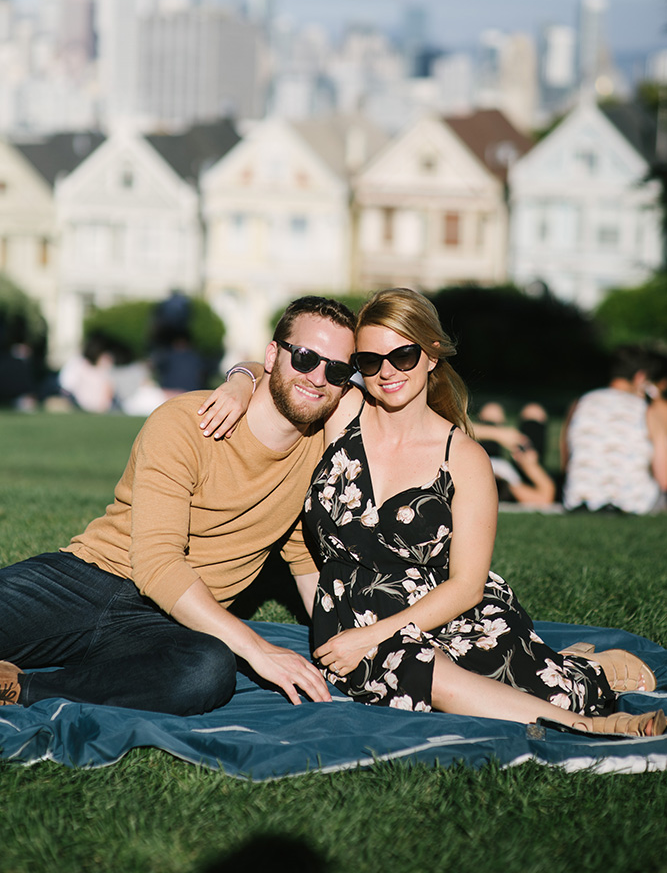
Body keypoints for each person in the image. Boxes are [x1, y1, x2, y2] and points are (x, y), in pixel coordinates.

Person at [300, 288, 664, 737]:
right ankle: (593, 727)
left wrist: (373, 636)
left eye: (404, 355)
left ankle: (588, 670)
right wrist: (240, 380)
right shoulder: (344, 412)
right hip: (352, 612)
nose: (387, 371)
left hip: (447, 611)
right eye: (370, 361)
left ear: (432, 355)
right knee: (419, 667)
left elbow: (468, 585)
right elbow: (279, 373)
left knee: (553, 687)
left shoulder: (464, 457)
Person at [0, 296, 356, 715]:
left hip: (173, 621)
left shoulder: (319, 452)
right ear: (273, 354)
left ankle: (25, 688)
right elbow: (157, 564)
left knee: (206, 670)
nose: (318, 377)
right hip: (91, 580)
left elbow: (302, 558)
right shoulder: (187, 421)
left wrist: (345, 644)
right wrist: (259, 650)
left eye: (336, 369)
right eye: (306, 358)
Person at [562, 344, 667, 515]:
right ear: (640, 377)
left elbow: (566, 461)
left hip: (577, 501)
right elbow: (663, 477)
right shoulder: (647, 410)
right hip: (632, 505)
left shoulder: (580, 402)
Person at [475, 401, 557, 506]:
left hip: (482, 458)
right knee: (534, 412)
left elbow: (454, 430)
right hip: (519, 466)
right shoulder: (506, 479)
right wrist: (531, 467)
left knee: (492, 411)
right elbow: (545, 498)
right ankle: (531, 426)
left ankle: (488, 422)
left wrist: (496, 434)